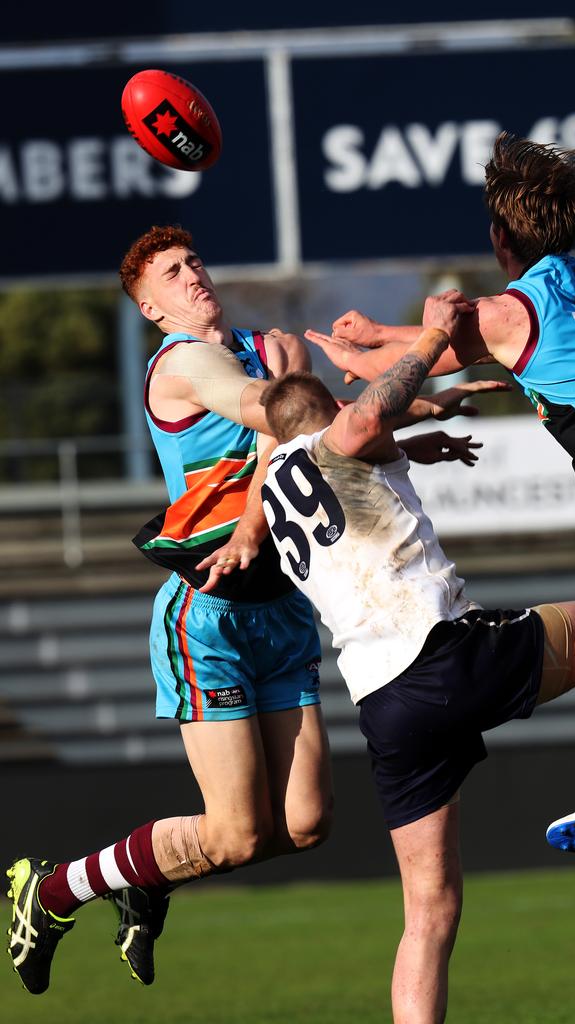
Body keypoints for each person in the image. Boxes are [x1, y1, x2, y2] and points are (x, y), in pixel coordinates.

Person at [4, 227, 504, 998]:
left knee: (305, 823)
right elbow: (275, 411)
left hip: (282, 611)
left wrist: (421, 418)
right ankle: (55, 890)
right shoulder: (184, 363)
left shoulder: (251, 344)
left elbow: (324, 419)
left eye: (195, 261)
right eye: (172, 273)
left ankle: (147, 880)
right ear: (149, 306)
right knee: (236, 832)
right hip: (209, 615)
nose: (193, 275)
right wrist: (308, 380)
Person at [259, 306, 575, 1024]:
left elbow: (357, 446)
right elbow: (360, 426)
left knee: (428, 914)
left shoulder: (274, 484)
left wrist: (424, 425)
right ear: (332, 408)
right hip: (443, 652)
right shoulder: (340, 435)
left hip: (384, 705)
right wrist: (434, 337)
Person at [305, 132, 575, 853]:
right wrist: (382, 335)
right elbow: (460, 336)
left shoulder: (511, 308)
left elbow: (445, 347)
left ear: (498, 233)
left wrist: (360, 352)